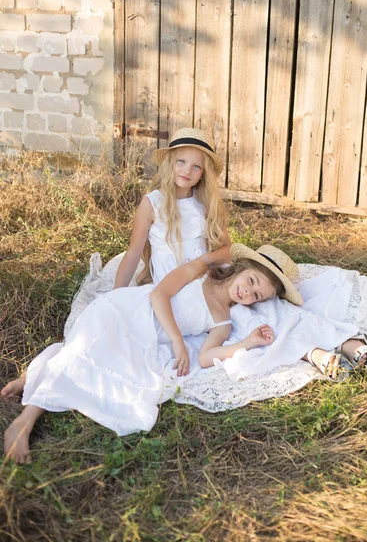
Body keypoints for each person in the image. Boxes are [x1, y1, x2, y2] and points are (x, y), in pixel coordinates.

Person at [2, 243, 302, 464]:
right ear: (242, 268)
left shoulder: (222, 320)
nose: (247, 293)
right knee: (91, 346)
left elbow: (206, 358)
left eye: (257, 295)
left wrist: (247, 343)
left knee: (101, 358)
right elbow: (160, 294)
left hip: (145, 338)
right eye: (251, 281)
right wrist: (177, 341)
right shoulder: (201, 272)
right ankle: (24, 421)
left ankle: (32, 376)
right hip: (125, 310)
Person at [63, 128, 231, 337]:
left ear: (203, 173)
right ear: (170, 162)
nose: (187, 170)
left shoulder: (205, 204)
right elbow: (133, 253)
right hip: (171, 285)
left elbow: (226, 250)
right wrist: (117, 297)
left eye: (196, 166)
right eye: (181, 161)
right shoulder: (152, 204)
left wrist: (203, 260)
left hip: (206, 275)